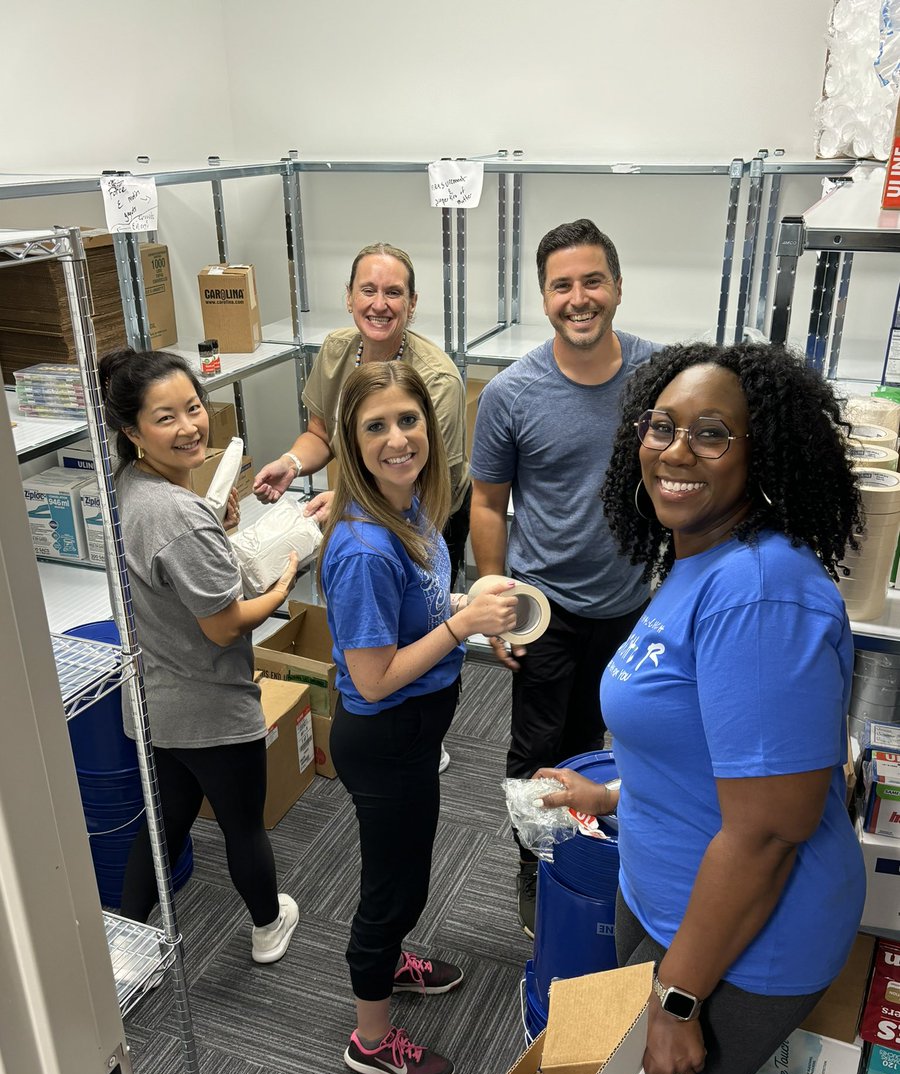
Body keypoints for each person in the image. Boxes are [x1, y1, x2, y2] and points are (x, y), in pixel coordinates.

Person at [536, 341, 867, 1074]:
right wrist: (614, 798)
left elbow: (767, 833)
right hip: (669, 898)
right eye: (662, 426)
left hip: (748, 944)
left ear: (762, 454)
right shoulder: (698, 558)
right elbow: (707, 751)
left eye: (713, 434)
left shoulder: (762, 592)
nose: (676, 451)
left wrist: (676, 999)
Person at [318, 360, 517, 1074]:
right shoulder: (367, 547)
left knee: (408, 873)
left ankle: (394, 958)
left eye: (408, 421)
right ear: (350, 440)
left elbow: (418, 612)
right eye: (376, 427)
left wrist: (466, 598)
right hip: (387, 736)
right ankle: (369, 1039)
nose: (398, 438)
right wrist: (464, 622)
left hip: (415, 733)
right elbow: (372, 676)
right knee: (390, 890)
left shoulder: (410, 514)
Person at [469, 218, 659, 937]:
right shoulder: (512, 394)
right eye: (561, 285)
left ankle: (590, 846)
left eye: (592, 281)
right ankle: (533, 866)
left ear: (615, 286)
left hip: (629, 601)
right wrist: (497, 598)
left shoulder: (657, 376)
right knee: (537, 745)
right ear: (543, 297)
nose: (579, 298)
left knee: (606, 737)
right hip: (543, 605)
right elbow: (487, 504)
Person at [100, 348, 301, 965]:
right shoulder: (179, 516)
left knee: (164, 824)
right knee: (243, 824)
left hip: (156, 702)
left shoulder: (131, 488)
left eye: (193, 408)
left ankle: (129, 941)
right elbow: (222, 626)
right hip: (211, 708)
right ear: (133, 431)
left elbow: (171, 566)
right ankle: (268, 926)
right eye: (166, 418)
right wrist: (280, 588)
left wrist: (213, 520)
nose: (189, 426)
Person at [253, 241, 471, 590]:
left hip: (427, 509)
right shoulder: (336, 351)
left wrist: (345, 501)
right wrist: (291, 462)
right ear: (349, 297)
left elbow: (426, 481)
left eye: (394, 293)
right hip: (360, 505)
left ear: (412, 303)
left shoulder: (437, 379)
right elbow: (321, 432)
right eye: (367, 290)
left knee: (422, 614)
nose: (379, 304)